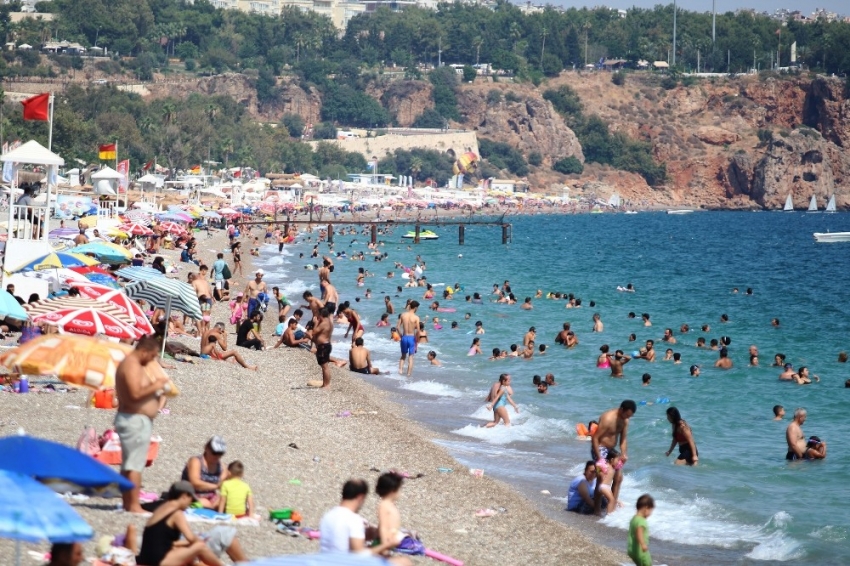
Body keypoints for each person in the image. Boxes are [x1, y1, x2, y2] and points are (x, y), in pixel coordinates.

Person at [114, 336, 171, 513]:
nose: (152, 360)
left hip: (133, 419)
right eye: (152, 356)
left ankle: (127, 503)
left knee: (129, 465)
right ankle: (134, 505)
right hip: (134, 420)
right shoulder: (132, 364)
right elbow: (134, 394)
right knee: (134, 466)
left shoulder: (132, 364)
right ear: (144, 351)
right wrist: (157, 385)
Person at [136, 481, 224, 566]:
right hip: (159, 560)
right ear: (184, 496)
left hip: (146, 557)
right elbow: (192, 539)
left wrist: (184, 544)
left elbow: (161, 540)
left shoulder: (160, 509)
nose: (189, 504)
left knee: (186, 550)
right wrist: (202, 541)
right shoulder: (176, 513)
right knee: (200, 546)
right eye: (190, 500)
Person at [319, 479, 403, 561]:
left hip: (326, 561)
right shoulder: (353, 519)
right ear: (360, 497)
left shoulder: (327, 516)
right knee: (403, 562)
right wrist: (386, 545)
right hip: (344, 563)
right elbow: (359, 555)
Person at [591, 400, 637, 515]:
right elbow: (595, 438)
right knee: (601, 478)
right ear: (621, 410)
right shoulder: (608, 418)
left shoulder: (625, 421)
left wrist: (623, 453)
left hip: (611, 450)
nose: (627, 418)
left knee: (619, 477)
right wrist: (599, 458)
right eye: (627, 415)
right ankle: (596, 510)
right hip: (599, 448)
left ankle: (611, 509)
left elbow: (623, 439)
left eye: (630, 416)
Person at [181, 436, 228, 509]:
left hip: (211, 496)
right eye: (214, 453)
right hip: (191, 494)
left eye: (220, 453)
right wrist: (215, 486)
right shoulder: (196, 461)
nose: (217, 456)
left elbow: (224, 484)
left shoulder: (221, 466)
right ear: (206, 448)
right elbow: (195, 482)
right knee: (205, 504)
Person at [376, 472, 406, 555]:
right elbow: (384, 527)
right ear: (393, 490)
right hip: (385, 542)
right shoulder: (384, 505)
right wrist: (384, 546)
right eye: (400, 489)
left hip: (391, 541)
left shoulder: (389, 505)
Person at [628, 494, 655, 566]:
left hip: (632, 549)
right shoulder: (641, 521)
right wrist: (643, 544)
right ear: (646, 508)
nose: (650, 514)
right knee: (647, 563)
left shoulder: (634, 519)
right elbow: (638, 532)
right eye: (651, 511)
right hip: (640, 550)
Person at [312, 307, 334, 388]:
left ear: (321, 315)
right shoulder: (329, 322)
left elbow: (314, 332)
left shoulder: (324, 323)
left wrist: (315, 323)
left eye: (319, 315)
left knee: (325, 366)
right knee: (324, 366)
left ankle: (327, 385)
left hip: (323, 346)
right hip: (326, 345)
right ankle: (325, 383)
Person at [398, 300, 420, 377]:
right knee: (411, 357)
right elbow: (418, 331)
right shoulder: (416, 317)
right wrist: (417, 342)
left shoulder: (403, 315)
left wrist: (401, 336)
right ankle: (408, 374)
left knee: (403, 356)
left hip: (404, 337)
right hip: (411, 338)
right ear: (416, 307)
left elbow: (397, 327)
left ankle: (400, 371)